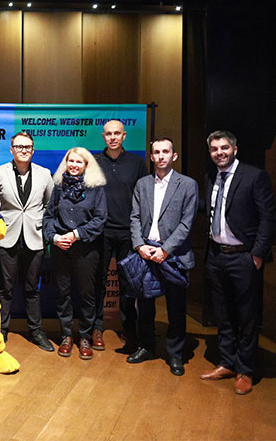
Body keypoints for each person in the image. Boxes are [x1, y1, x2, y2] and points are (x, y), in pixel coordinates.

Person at [200, 130, 275, 395]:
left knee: (247, 316)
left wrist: (257, 254)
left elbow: (268, 218)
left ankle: (245, 370)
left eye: (224, 148)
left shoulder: (254, 176)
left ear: (234, 148)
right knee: (223, 314)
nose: (219, 152)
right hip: (217, 256)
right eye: (214, 149)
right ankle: (227, 362)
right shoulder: (211, 176)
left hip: (244, 257)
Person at [127, 137, 198, 376]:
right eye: (156, 152)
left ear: (174, 155)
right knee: (144, 306)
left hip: (174, 255)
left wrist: (165, 250)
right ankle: (146, 346)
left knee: (176, 307)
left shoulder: (188, 185)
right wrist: (138, 245)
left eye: (165, 151)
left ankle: (176, 354)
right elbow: (135, 217)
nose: (161, 156)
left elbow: (186, 224)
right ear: (151, 156)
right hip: (146, 252)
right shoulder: (142, 184)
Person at [0, 131, 54, 351]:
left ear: (33, 150)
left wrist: (39, 223)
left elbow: (50, 206)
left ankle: (35, 331)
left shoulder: (44, 174)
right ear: (11, 149)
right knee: (5, 289)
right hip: (7, 238)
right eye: (19, 146)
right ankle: (1, 331)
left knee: (32, 288)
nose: (23, 150)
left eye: (27, 147)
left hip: (35, 239)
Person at [43, 147, 107, 360]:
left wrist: (76, 235)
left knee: (87, 295)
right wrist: (54, 238)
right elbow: (48, 218)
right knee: (63, 294)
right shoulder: (58, 188)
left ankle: (85, 337)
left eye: (79, 162)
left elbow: (100, 220)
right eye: (71, 161)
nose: (74, 165)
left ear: (86, 166)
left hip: (87, 250)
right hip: (61, 249)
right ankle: (66, 335)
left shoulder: (96, 189)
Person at [93, 120, 147, 351]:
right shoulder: (94, 161)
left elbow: (145, 198)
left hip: (128, 232)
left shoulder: (137, 162)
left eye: (117, 133)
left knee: (128, 284)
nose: (113, 137)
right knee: (98, 282)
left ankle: (129, 328)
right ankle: (95, 328)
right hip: (101, 231)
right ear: (103, 136)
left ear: (124, 135)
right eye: (108, 134)